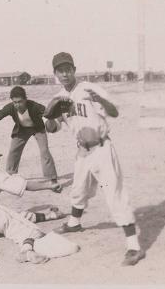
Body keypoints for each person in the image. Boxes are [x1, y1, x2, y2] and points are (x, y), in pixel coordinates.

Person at [44, 52, 145, 266]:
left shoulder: (89, 89)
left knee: (115, 194)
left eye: (68, 69)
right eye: (60, 70)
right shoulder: (59, 97)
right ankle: (74, 223)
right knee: (78, 189)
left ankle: (134, 247)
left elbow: (114, 112)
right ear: (55, 73)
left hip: (101, 148)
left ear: (74, 69)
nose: (65, 73)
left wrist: (99, 100)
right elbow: (52, 128)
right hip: (82, 151)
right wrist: (49, 117)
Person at [0, 86, 61, 191]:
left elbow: (49, 113)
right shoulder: (10, 108)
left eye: (20, 102)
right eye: (15, 102)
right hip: (22, 130)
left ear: (25, 99)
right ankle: (10, 176)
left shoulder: (34, 106)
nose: (17, 105)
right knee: (13, 152)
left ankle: (52, 179)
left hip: (38, 129)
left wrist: (56, 114)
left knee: (44, 151)